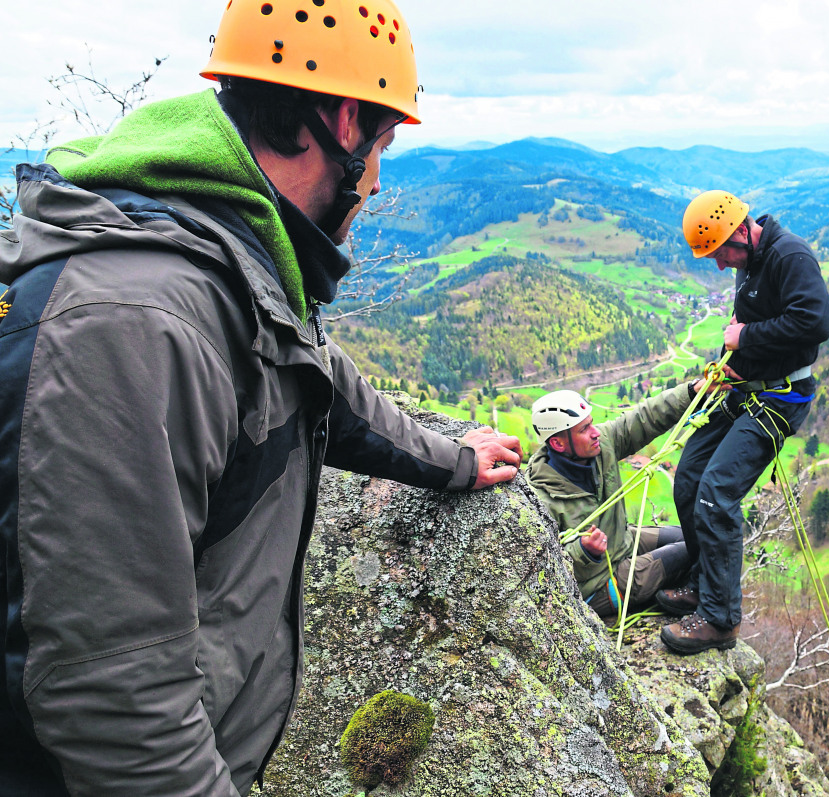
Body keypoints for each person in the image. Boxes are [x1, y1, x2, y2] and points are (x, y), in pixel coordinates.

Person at [0, 2, 522, 794]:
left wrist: (454, 460)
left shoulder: (227, 252)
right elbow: (114, 698)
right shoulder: (131, 325)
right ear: (343, 123)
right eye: (381, 147)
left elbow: (314, 381)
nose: (378, 183)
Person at [658, 190, 829, 655]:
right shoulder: (750, 263)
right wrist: (726, 364)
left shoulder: (787, 255)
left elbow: (815, 322)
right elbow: (746, 327)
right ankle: (701, 584)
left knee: (716, 494)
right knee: (689, 479)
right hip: (745, 387)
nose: (719, 266)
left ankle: (719, 618)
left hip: (781, 396)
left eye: (721, 255)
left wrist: (745, 336)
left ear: (740, 232)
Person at [527, 384, 711, 617]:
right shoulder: (539, 500)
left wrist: (695, 391)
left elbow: (645, 418)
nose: (595, 432)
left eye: (592, 423)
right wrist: (584, 551)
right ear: (558, 444)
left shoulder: (601, 446)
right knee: (688, 552)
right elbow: (546, 570)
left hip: (621, 543)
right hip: (599, 584)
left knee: (695, 537)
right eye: (584, 429)